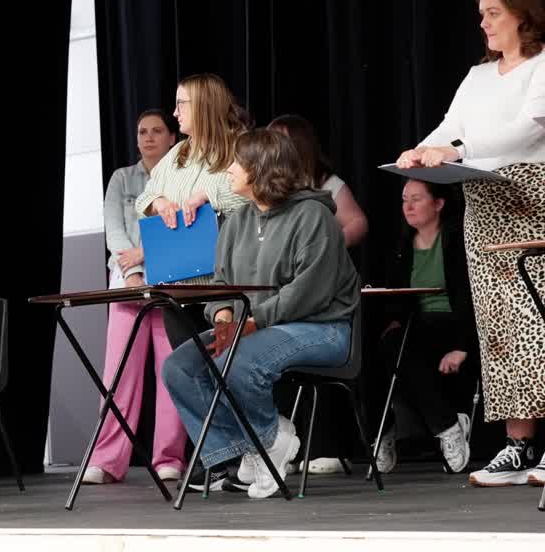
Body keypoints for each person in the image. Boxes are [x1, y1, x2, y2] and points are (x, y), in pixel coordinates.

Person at [396, 0, 545, 487]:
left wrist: (458, 151)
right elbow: (448, 127)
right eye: (481, 14)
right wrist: (419, 151)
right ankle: (518, 444)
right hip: (482, 203)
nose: (483, 23)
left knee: (537, 320)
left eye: (493, 13)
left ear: (523, 15)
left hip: (530, 197)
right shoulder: (478, 76)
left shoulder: (542, 66)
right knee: (500, 328)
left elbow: (528, 127)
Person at [162, 129, 361, 499]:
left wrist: (249, 324)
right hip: (253, 328)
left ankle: (271, 438)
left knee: (236, 361)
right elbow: (221, 282)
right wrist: (223, 318)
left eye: (237, 162)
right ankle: (249, 446)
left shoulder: (313, 215)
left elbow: (309, 292)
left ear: (262, 168)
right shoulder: (237, 222)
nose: (229, 169)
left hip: (323, 328)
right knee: (181, 367)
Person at [83, 109, 185, 484]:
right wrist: (133, 270)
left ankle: (169, 457)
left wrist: (150, 263)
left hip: (170, 278)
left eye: (158, 131)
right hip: (126, 280)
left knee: (170, 370)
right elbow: (114, 229)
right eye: (143, 131)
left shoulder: (182, 179)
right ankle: (107, 459)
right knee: (119, 372)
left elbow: (180, 232)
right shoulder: (122, 178)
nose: (149, 138)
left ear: (172, 138)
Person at [266, 113, 370, 474]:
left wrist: (323, 247)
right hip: (285, 289)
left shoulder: (327, 183)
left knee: (318, 367)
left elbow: (356, 221)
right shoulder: (273, 189)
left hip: (321, 290)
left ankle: (326, 447)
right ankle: (284, 448)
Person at [133, 74, 251, 346]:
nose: (174, 113)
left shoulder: (242, 147)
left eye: (181, 104)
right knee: (187, 373)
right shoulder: (177, 154)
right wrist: (158, 202)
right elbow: (143, 199)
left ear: (204, 105)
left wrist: (208, 196)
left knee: (227, 372)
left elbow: (257, 197)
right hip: (178, 286)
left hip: (228, 287)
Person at [368, 180, 477, 474]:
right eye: (404, 200)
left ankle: (444, 427)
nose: (408, 206)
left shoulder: (457, 240)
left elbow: (471, 297)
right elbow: (396, 299)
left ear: (438, 204)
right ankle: (388, 430)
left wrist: (461, 346)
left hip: (454, 327)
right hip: (417, 328)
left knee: (398, 349)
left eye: (416, 199)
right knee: (379, 348)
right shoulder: (401, 247)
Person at [268, 114, 368, 247]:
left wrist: (330, 247)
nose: (269, 148)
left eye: (278, 141)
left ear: (298, 147)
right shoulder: (264, 181)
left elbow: (357, 222)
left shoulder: (326, 183)